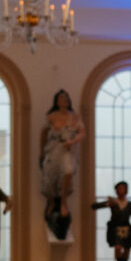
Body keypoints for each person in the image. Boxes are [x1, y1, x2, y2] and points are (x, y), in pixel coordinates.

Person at [40, 90, 85, 241]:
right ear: (56, 101)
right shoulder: (51, 116)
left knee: (68, 170)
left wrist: (72, 142)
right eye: (60, 98)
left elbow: (81, 133)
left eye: (66, 98)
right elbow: (43, 133)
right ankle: (52, 202)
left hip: (67, 150)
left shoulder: (74, 116)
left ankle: (63, 202)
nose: (63, 100)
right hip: (53, 150)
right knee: (49, 178)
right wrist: (41, 153)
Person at [93, 181, 131, 261]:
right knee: (118, 247)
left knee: (127, 249)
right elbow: (94, 206)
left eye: (123, 188)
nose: (121, 190)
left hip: (127, 228)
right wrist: (108, 203)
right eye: (119, 188)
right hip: (116, 228)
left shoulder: (130, 204)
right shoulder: (113, 203)